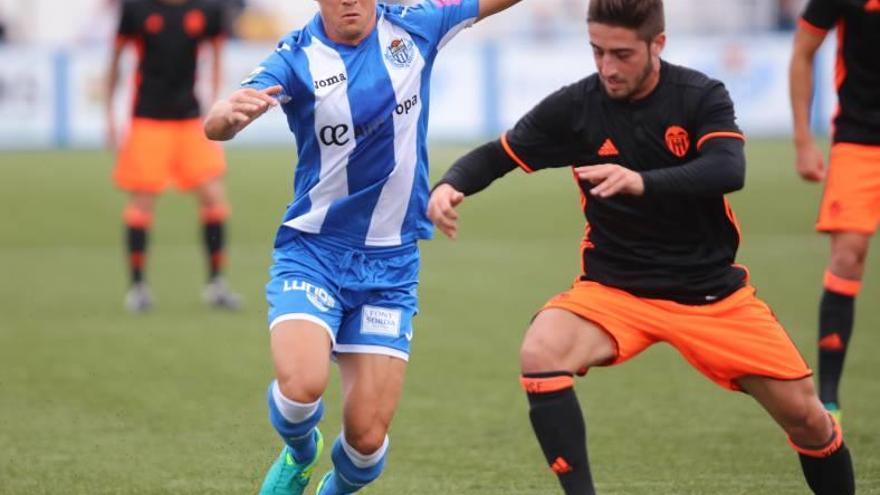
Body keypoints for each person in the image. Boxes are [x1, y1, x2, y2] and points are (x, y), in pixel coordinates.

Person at [428, 0, 856, 493]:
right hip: (615, 291)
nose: (608, 67)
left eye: (622, 54)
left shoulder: (699, 96)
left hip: (711, 295)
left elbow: (728, 169)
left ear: (658, 45)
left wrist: (641, 182)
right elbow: (498, 154)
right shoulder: (576, 107)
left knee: (809, 421)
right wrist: (449, 184)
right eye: (597, 51)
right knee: (541, 350)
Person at [202, 0, 523, 492]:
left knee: (366, 441)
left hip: (390, 270)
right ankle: (299, 452)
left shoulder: (417, 24)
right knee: (300, 389)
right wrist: (224, 115)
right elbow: (219, 123)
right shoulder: (296, 57)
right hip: (315, 252)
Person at [108, 0, 241, 312]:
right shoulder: (136, 9)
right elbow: (115, 59)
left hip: (190, 121)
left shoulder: (207, 9)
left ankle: (216, 283)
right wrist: (109, 116)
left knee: (214, 199)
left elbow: (218, 55)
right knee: (141, 204)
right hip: (147, 120)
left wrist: (216, 104)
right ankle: (138, 287)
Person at [788, 0, 880, 421]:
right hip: (860, 140)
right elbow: (803, 52)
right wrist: (804, 140)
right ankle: (828, 401)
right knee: (847, 256)